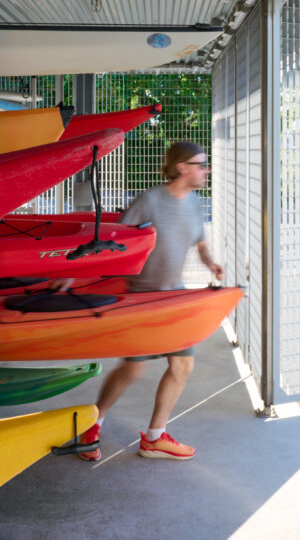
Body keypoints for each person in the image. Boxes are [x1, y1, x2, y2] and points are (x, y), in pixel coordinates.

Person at [78, 140, 223, 462]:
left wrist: (210, 262)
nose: (206, 169)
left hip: (173, 298)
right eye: (201, 164)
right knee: (132, 371)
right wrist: (76, 274)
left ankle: (155, 437)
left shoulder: (197, 203)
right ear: (183, 167)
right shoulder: (150, 200)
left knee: (182, 363)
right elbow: (115, 239)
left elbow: (200, 244)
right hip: (142, 300)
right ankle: (93, 425)